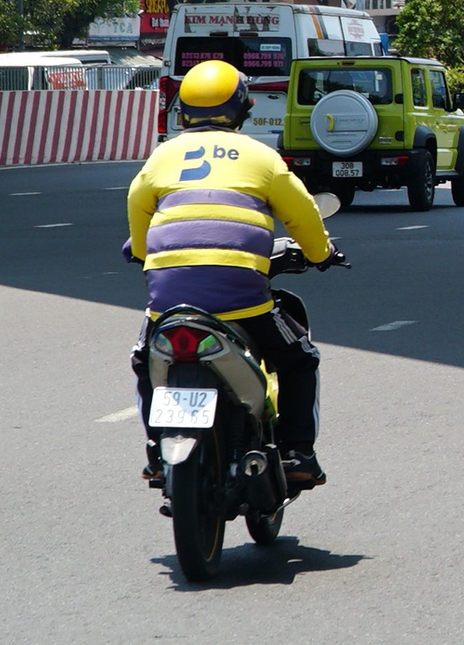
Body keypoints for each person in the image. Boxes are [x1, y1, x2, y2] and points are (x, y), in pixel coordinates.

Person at [125, 59, 339, 490]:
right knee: (299, 360)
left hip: (169, 300)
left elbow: (138, 210)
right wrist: (322, 253)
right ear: (243, 109)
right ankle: (298, 453)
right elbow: (303, 213)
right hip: (242, 297)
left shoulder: (162, 156)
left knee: (145, 359)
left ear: (184, 110)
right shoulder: (261, 156)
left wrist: (146, 251)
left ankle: (155, 453)